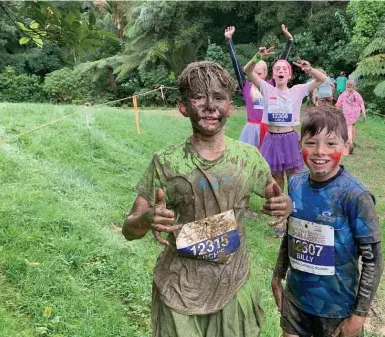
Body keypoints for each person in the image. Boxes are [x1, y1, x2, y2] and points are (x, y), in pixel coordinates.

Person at [122, 61, 293, 337]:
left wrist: (286, 204)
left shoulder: (247, 159)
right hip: (179, 289)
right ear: (183, 107)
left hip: (233, 286)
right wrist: (146, 218)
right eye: (198, 97)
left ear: (230, 107)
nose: (209, 106)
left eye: (218, 98)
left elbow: (276, 196)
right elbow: (129, 230)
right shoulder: (166, 163)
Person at [271, 105, 383, 337]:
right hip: (296, 303)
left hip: (337, 310)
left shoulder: (355, 196)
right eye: (311, 142)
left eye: (331, 144)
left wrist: (358, 317)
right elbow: (292, 234)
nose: (320, 151)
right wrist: (277, 275)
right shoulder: (296, 185)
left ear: (346, 147)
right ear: (299, 145)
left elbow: (373, 261)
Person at [244, 47, 328, 236]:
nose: (281, 71)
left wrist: (309, 69)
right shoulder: (266, 88)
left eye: (284, 69)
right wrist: (258, 56)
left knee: (295, 180)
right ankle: (280, 222)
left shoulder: (297, 91)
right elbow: (247, 71)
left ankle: (297, 216)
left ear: (290, 74)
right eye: (277, 69)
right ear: (272, 74)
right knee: (276, 183)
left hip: (290, 140)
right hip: (272, 140)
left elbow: (322, 79)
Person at [225, 24, 293, 218]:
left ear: (267, 74)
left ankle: (274, 204)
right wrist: (229, 41)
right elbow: (238, 66)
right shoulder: (245, 85)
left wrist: (289, 42)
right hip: (252, 129)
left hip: (270, 130)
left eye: (262, 71)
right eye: (256, 70)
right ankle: (244, 206)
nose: (259, 73)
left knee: (272, 169)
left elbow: (283, 63)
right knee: (246, 168)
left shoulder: (271, 86)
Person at [335, 80, 366, 153]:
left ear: (346, 86)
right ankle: (353, 140)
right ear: (354, 86)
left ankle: (350, 142)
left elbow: (338, 104)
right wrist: (364, 113)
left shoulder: (343, 94)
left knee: (348, 128)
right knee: (353, 125)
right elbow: (361, 103)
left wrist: (336, 110)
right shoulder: (357, 94)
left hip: (347, 113)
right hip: (356, 113)